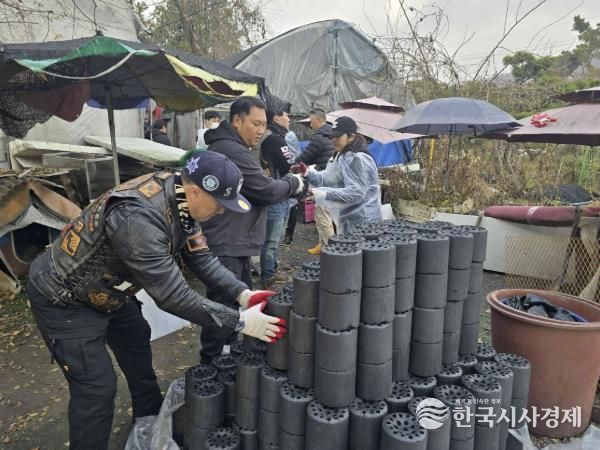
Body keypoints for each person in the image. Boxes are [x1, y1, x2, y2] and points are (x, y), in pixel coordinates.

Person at [26, 151, 285, 450]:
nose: (221, 212)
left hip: (109, 291)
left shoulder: (182, 200)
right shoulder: (138, 217)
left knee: (135, 338)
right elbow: (173, 296)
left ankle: (149, 416)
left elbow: (201, 258)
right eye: (219, 204)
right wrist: (239, 322)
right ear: (196, 191)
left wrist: (242, 293)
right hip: (65, 297)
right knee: (96, 388)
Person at [201, 96, 304, 361]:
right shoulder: (232, 151)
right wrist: (294, 183)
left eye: (264, 125)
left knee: (234, 304)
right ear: (237, 120)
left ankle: (226, 354)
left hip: (234, 242)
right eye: (255, 124)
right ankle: (210, 365)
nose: (260, 131)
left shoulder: (229, 147)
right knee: (222, 308)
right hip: (227, 242)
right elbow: (265, 190)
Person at [292, 116, 382, 235]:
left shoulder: (357, 158)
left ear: (351, 136)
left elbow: (356, 192)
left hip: (364, 223)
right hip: (348, 220)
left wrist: (323, 193)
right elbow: (327, 178)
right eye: (332, 136)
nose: (333, 140)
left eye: (338, 136)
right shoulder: (341, 155)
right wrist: (307, 173)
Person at [259, 107, 296, 288]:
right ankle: (267, 277)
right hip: (277, 196)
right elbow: (289, 165)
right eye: (286, 115)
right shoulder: (276, 139)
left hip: (276, 193)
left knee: (275, 239)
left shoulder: (269, 137)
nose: (289, 119)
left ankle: (272, 270)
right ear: (276, 118)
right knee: (272, 241)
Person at [292, 108, 335, 254]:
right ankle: (322, 244)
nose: (310, 125)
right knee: (327, 213)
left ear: (318, 119)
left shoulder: (319, 137)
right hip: (331, 177)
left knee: (322, 215)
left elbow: (306, 156)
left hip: (323, 179)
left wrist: (291, 165)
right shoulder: (332, 134)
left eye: (311, 121)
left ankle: (329, 249)